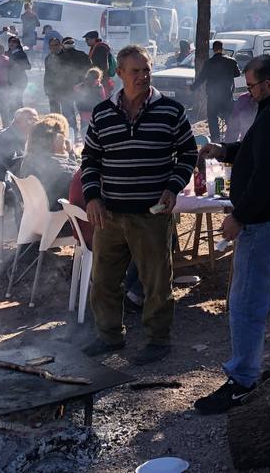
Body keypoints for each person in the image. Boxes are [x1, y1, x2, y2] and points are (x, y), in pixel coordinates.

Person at [194, 55, 270, 415]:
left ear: (267, 84)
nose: (247, 94)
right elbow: (264, 153)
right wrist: (227, 151)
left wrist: (240, 217)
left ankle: (242, 381)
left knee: (248, 304)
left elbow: (268, 175)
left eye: (250, 87)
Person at [79, 45, 197, 365]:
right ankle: (109, 336)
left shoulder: (170, 111)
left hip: (151, 214)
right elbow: (90, 158)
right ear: (119, 73)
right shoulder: (103, 113)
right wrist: (92, 196)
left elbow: (188, 154)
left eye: (147, 70)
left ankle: (158, 340)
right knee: (104, 280)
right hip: (110, 214)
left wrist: (173, 187)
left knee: (156, 282)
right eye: (136, 71)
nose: (143, 76)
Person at [0, 106, 38, 203]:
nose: (34, 124)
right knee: (33, 197)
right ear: (17, 121)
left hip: (10, 186)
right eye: (30, 120)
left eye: (36, 121)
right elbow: (14, 168)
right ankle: (23, 218)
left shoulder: (24, 136)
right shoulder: (2, 139)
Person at [21, 114, 76, 205]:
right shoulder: (64, 170)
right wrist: (69, 153)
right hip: (59, 214)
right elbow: (78, 176)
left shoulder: (28, 160)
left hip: (35, 212)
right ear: (57, 140)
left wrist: (67, 154)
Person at [191, 40, 240, 141]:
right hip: (227, 96)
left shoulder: (209, 63)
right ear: (222, 49)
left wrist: (193, 87)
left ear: (213, 49)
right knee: (229, 118)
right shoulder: (231, 61)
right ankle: (231, 139)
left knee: (212, 117)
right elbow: (237, 74)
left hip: (213, 97)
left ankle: (215, 139)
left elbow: (201, 78)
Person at [5, 36, 32, 118]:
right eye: (10, 42)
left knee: (17, 100)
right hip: (9, 81)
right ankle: (12, 121)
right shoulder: (7, 53)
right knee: (10, 101)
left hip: (20, 80)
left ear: (17, 44)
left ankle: (21, 120)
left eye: (14, 42)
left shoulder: (21, 53)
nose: (11, 44)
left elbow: (28, 66)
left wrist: (17, 64)